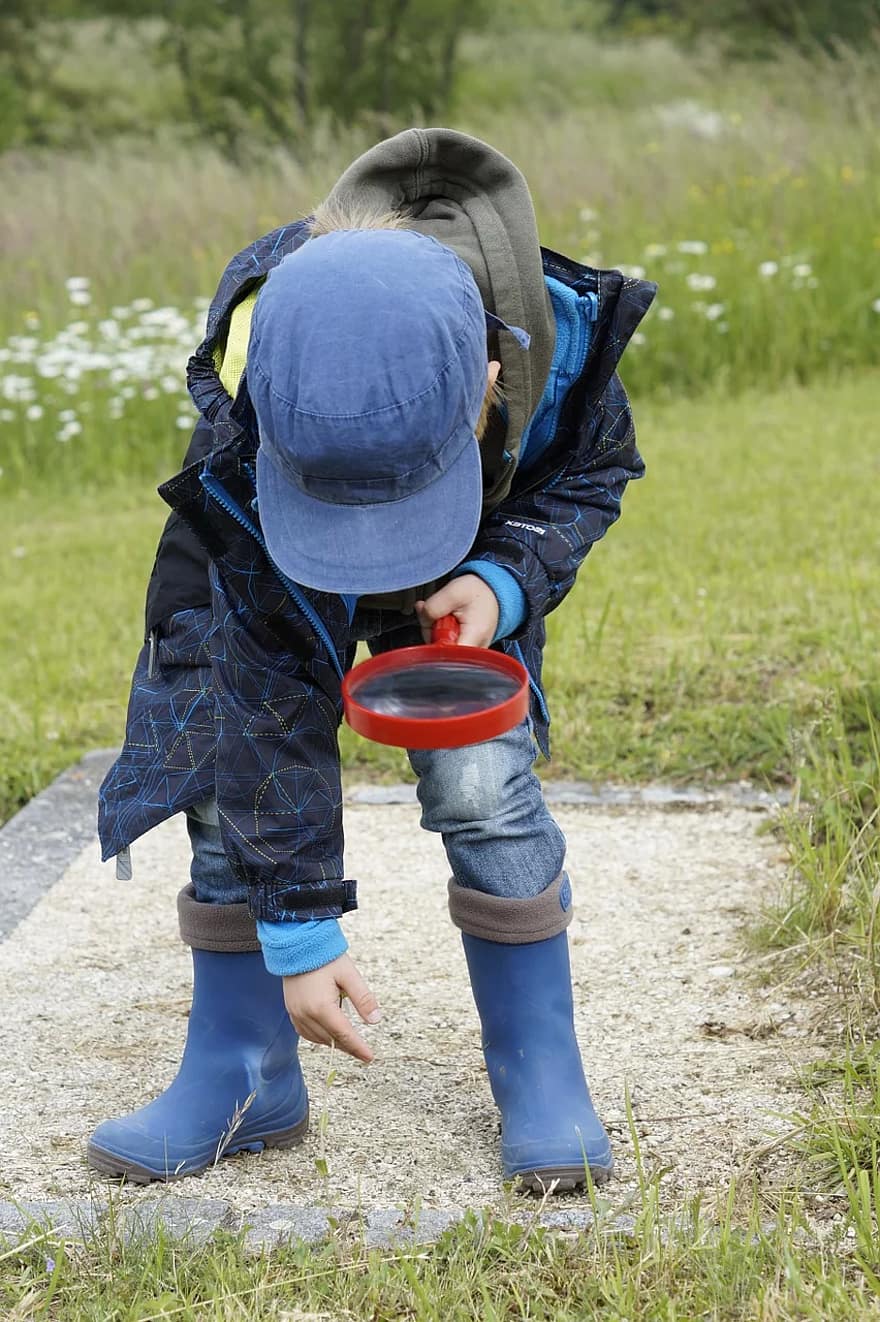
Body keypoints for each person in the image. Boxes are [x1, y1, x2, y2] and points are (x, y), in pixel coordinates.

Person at [91, 127, 655, 1192]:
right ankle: (247, 1072)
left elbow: (592, 477)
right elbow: (262, 704)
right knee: (220, 764)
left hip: (465, 562)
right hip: (278, 538)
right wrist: (299, 930)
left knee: (482, 780)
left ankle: (538, 1069)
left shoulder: (559, 345)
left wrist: (503, 580)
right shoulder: (265, 381)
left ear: (491, 377)